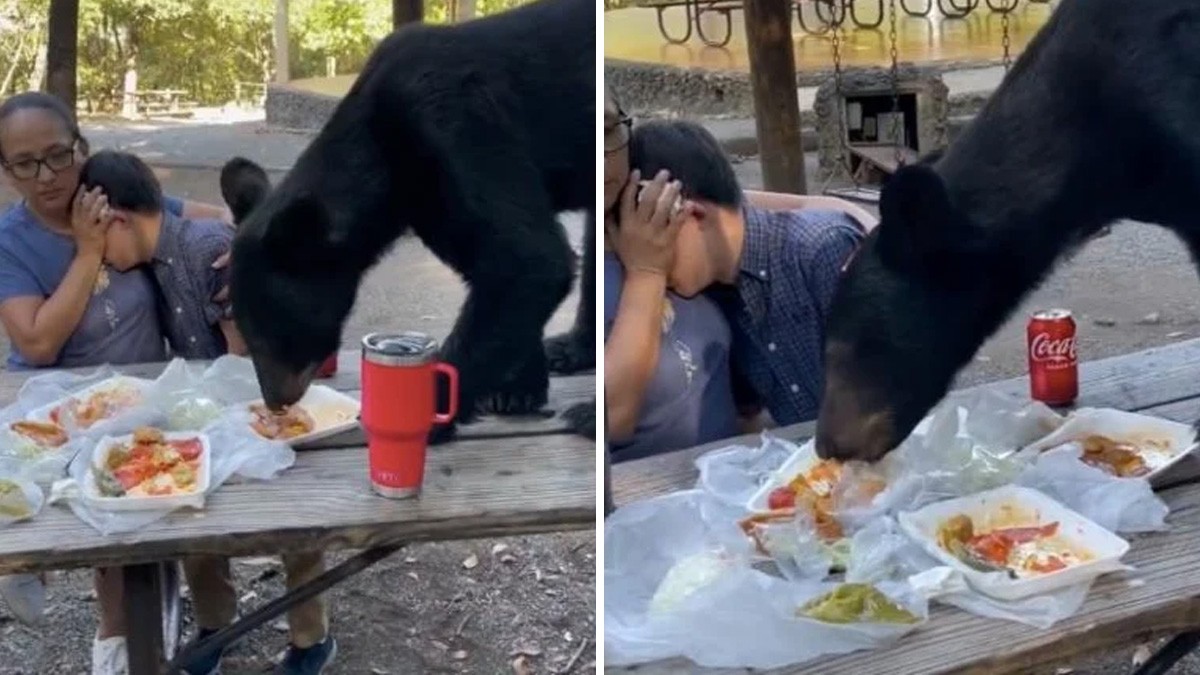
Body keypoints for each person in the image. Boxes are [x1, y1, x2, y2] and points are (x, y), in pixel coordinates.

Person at [79, 150, 335, 675]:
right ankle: (217, 626)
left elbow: (244, 359)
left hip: (263, 410)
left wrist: (240, 424)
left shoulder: (207, 253)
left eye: (99, 238)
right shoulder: (157, 264)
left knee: (293, 527)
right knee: (192, 519)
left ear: (119, 219)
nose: (100, 256)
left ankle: (312, 639)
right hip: (217, 418)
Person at [0, 91, 229, 675]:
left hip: (140, 399)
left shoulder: (108, 195)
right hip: (55, 410)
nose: (47, 175)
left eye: (58, 154)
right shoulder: (12, 241)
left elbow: (201, 218)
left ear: (81, 147)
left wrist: (248, 247)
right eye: (25, 164)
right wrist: (88, 250)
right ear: (6, 171)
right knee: (91, 535)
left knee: (156, 527)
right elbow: (36, 343)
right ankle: (88, 614)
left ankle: (159, 632)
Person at [628, 119, 867, 428]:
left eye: (652, 237)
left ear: (690, 214)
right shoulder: (711, 297)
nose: (648, 258)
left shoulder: (822, 253)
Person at [602, 86, 741, 462]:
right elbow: (611, 418)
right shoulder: (607, 282)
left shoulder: (681, 258)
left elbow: (722, 201)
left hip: (732, 481)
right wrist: (646, 272)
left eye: (609, 131)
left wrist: (834, 208)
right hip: (656, 497)